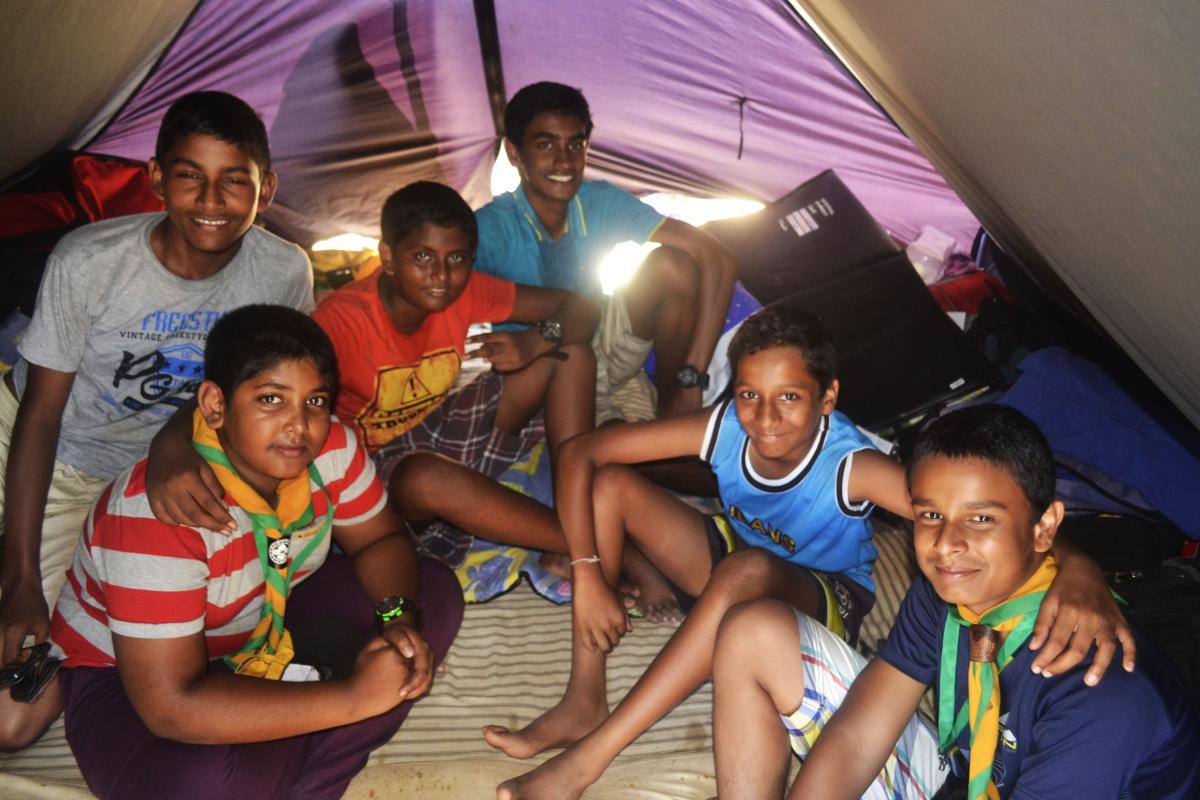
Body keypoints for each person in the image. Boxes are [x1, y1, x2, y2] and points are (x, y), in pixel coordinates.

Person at [488, 306, 1133, 800]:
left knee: (744, 571)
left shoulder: (852, 465)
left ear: (827, 398)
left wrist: (1078, 564)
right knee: (612, 486)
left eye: (790, 398)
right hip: (737, 559)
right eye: (749, 396)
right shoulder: (725, 427)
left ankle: (592, 755)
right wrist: (589, 573)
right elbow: (582, 453)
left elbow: (980, 511)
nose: (765, 418)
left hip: (821, 595)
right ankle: (584, 693)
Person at [45, 305, 463, 799]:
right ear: (215, 405)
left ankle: (306, 774)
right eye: (271, 399)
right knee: (209, 783)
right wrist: (352, 698)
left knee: (431, 593)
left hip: (261, 630)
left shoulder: (332, 450)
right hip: (127, 677)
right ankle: (309, 730)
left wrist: (396, 618)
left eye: (316, 401)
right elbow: (170, 705)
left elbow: (380, 539)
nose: (298, 427)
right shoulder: (155, 514)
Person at [0, 91, 313, 749]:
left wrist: (175, 442)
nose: (210, 200)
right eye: (189, 176)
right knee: (11, 698)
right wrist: (22, 578)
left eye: (235, 181)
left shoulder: (283, 272)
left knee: (14, 719)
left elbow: (263, 396)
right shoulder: (90, 261)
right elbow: (40, 418)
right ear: (154, 179)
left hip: (156, 473)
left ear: (267, 188)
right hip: (51, 456)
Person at [712, 404, 1200, 799]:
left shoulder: (1100, 695)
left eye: (981, 519)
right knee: (753, 630)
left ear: (1045, 526)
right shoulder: (946, 592)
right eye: (930, 515)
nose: (946, 544)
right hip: (961, 780)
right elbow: (858, 739)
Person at [309, 180, 598, 570]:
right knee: (426, 478)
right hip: (366, 472)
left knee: (569, 355)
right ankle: (587, 545)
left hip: (433, 429)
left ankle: (574, 506)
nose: (442, 276)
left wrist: (535, 342)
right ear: (389, 258)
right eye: (423, 257)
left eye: (457, 259)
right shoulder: (341, 322)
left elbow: (580, 308)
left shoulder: (463, 292)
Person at [474, 81, 738, 421]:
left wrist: (694, 375)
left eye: (575, 144)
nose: (564, 161)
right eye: (545, 145)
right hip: (547, 364)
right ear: (513, 152)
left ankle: (674, 407)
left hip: (606, 341)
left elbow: (718, 255)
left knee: (675, 265)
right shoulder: (492, 228)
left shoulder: (598, 201)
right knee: (626, 457)